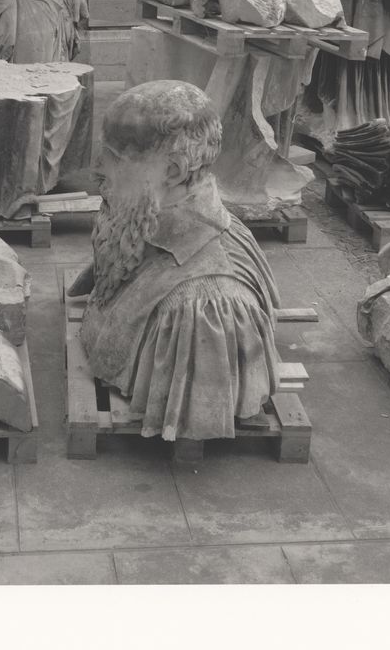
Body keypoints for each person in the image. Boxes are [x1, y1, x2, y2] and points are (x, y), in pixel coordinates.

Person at [70, 80, 282, 441]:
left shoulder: (203, 304)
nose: (97, 170)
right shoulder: (140, 218)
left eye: (115, 158)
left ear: (173, 172)